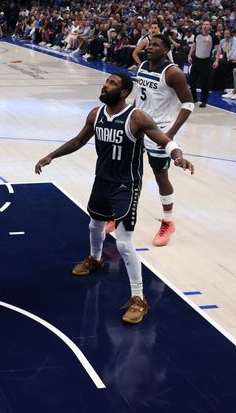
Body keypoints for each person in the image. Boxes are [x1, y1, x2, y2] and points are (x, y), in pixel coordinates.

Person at [35, 73, 194, 324]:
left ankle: (139, 299)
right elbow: (79, 140)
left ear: (123, 93)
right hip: (102, 180)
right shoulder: (96, 114)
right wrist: (51, 156)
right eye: (106, 81)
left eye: (111, 83)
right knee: (94, 225)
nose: (105, 85)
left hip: (126, 185)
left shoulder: (137, 117)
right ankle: (95, 259)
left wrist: (177, 156)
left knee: (123, 243)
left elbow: (164, 140)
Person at [130, 34, 194, 246]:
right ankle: (121, 214)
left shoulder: (173, 72)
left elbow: (188, 104)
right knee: (128, 173)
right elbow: (138, 96)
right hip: (138, 127)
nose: (150, 48)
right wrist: (129, 116)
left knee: (160, 177)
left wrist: (171, 134)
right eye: (150, 45)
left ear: (166, 50)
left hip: (159, 131)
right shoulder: (142, 66)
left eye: (156, 45)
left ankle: (168, 222)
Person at [188, 20, 221, 108]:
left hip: (206, 61)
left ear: (210, 26)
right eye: (204, 24)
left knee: (204, 82)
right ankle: (194, 98)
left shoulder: (213, 36)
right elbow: (194, 45)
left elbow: (218, 48)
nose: (206, 26)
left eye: (207, 24)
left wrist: (216, 60)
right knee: (192, 81)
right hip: (196, 60)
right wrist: (189, 55)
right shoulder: (197, 35)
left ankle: (204, 101)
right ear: (202, 26)